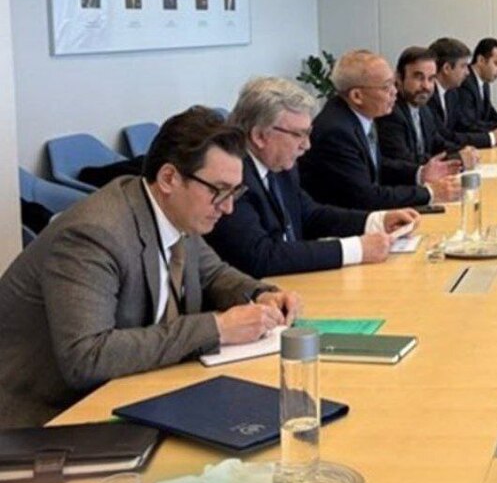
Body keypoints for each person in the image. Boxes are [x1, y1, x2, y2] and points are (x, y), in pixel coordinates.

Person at [0, 107, 302, 429]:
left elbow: (212, 273)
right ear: (169, 178)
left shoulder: (175, 211)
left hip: (128, 393)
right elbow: (87, 357)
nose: (228, 207)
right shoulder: (94, 234)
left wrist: (261, 293)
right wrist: (217, 328)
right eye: (218, 191)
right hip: (47, 419)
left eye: (235, 192)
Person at [208, 77, 421, 279]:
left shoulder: (281, 165)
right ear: (260, 136)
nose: (307, 145)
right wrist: (356, 249)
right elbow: (261, 256)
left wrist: (377, 221)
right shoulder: (231, 178)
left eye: (308, 133)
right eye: (298, 135)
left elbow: (311, 215)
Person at [299, 50, 459, 212]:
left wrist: (420, 174)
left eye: (393, 84)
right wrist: (430, 192)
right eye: (386, 86)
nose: (395, 91)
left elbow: (376, 164)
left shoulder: (359, 114)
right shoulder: (337, 132)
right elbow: (366, 197)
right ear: (357, 96)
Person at [378, 47, 479, 177]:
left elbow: (437, 142)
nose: (426, 86)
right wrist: (457, 158)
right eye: (419, 78)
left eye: (431, 79)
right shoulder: (390, 111)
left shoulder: (424, 108)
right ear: (399, 77)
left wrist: (464, 150)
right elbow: (404, 160)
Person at [428, 36, 497, 148]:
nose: (467, 72)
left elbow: (462, 125)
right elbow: (446, 136)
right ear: (447, 68)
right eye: (463, 66)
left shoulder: (451, 93)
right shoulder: (428, 95)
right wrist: (492, 138)